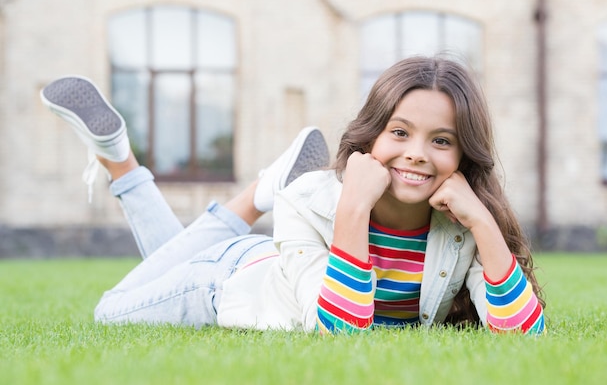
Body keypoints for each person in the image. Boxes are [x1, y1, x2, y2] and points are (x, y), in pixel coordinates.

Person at [40, 55, 545, 335]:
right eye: (399, 133)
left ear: (463, 156)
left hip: (280, 258)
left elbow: (524, 334)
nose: (416, 154)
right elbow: (338, 329)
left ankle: (124, 157)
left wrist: (482, 221)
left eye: (441, 141)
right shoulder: (318, 200)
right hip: (225, 282)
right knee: (111, 310)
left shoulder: (462, 216)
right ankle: (141, 165)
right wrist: (353, 207)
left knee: (162, 256)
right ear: (370, 138)